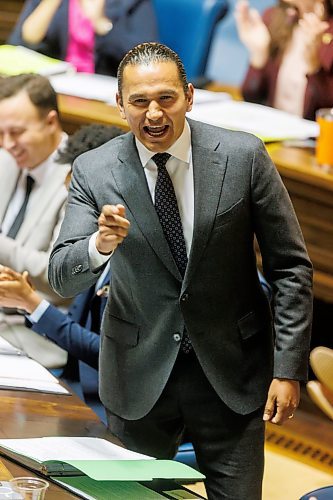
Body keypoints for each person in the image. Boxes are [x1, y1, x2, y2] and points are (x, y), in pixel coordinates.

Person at [48, 42, 313, 499]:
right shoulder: (94, 170)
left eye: (166, 99)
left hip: (232, 372)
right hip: (138, 372)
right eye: (139, 101)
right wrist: (100, 244)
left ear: (189, 96)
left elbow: (290, 267)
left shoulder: (243, 156)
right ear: (119, 104)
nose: (154, 114)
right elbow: (61, 275)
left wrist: (288, 370)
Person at [0, 124, 124, 422]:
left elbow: (109, 355)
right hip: (71, 386)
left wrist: (32, 302)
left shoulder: (134, 256)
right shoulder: (88, 249)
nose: (73, 211)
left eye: (78, 198)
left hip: (110, 411)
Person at [0, 73, 71, 368]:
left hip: (34, 335)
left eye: (16, 132)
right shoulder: (7, 158)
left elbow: (60, 276)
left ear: (51, 122)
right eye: (1, 133)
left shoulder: (80, 177)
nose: (7, 144)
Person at [235, 0, 333, 120]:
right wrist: (259, 53)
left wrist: (313, 64)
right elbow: (251, 97)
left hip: (312, 136)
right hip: (272, 128)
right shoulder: (274, 17)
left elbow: (328, 110)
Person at [8, 0, 158, 76]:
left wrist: (100, 22)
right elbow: (22, 43)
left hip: (106, 86)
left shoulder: (132, 3)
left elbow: (146, 56)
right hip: (60, 85)